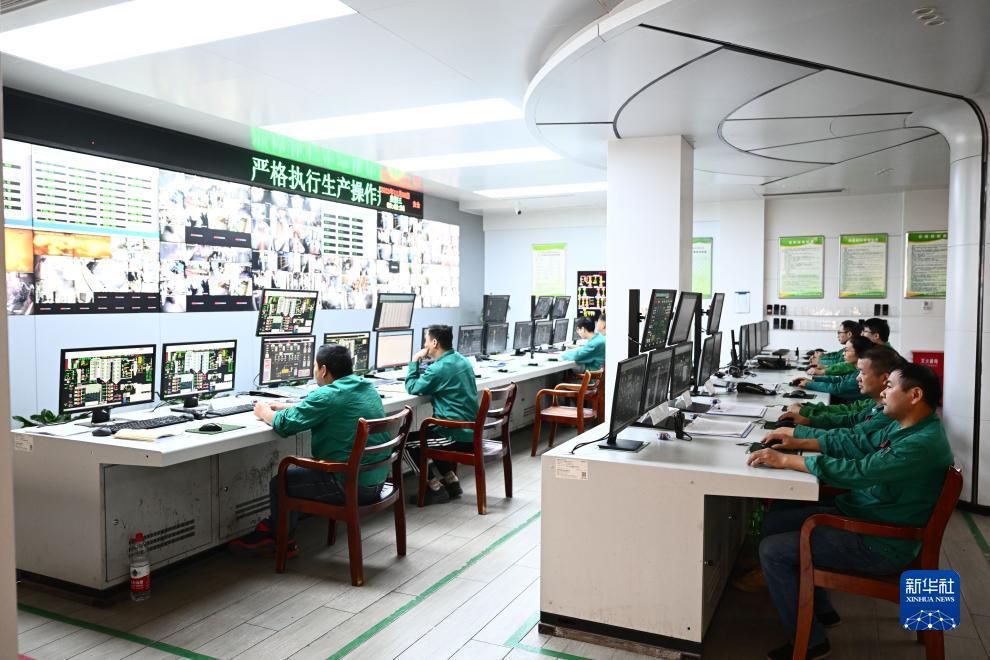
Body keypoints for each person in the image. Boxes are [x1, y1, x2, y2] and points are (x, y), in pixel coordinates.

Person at [747, 363, 953, 660]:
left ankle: (812, 643)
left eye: (890, 386)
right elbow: (857, 442)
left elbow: (859, 472)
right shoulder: (907, 425)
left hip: (880, 543)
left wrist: (786, 460)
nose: (884, 392)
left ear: (915, 395)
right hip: (871, 515)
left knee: (772, 550)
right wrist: (798, 440)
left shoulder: (920, 444)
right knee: (775, 522)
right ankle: (821, 610)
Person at [229, 344, 389, 557]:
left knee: (281, 481)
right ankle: (279, 533)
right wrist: (288, 407)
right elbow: (328, 407)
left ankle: (281, 541)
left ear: (323, 370)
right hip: (377, 481)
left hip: (350, 486)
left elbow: (285, 425)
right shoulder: (367, 388)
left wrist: (264, 411)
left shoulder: (327, 396)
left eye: (314, 366)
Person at [405, 324, 480, 505]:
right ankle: (451, 481)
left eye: (426, 341)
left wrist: (415, 360)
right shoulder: (461, 360)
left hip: (456, 434)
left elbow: (412, 387)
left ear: (434, 343)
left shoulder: (439, 368)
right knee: (432, 432)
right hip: (470, 431)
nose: (424, 345)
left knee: (406, 444)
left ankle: (433, 487)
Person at [772, 346, 904, 442]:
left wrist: (801, 431)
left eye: (862, 373)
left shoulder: (889, 412)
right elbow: (852, 419)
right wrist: (808, 419)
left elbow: (853, 438)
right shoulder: (876, 401)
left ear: (884, 378)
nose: (857, 378)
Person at [791, 335, 874, 402]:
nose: (843, 354)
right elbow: (839, 380)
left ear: (859, 353)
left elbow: (838, 389)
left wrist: (809, 384)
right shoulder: (856, 370)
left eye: (846, 350)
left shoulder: (861, 375)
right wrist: (813, 380)